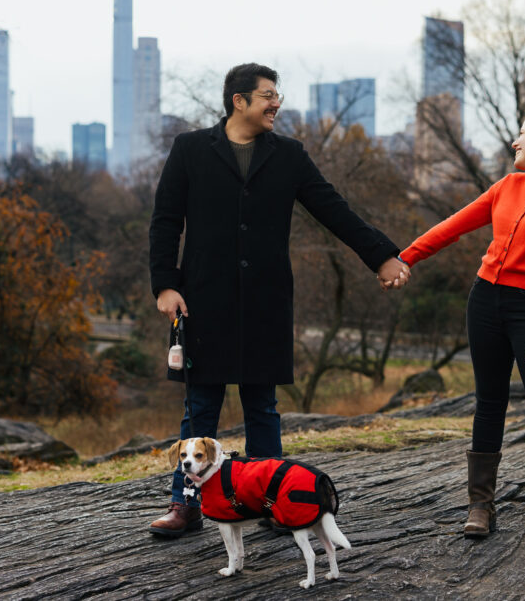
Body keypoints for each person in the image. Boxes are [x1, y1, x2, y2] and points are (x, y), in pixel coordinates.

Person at [147, 62, 409, 537]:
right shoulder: (190, 150)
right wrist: (166, 284)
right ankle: (185, 506)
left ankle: (272, 502)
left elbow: (334, 209)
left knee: (262, 405)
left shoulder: (288, 155)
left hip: (266, 299)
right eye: (268, 95)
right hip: (202, 297)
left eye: (277, 95)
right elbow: (165, 220)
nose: (277, 103)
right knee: (200, 407)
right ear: (238, 101)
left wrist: (382, 256)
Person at [398, 109, 525, 550]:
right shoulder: (506, 187)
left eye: (522, 134)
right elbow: (452, 227)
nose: (515, 141)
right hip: (485, 301)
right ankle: (480, 505)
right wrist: (405, 258)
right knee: (489, 402)